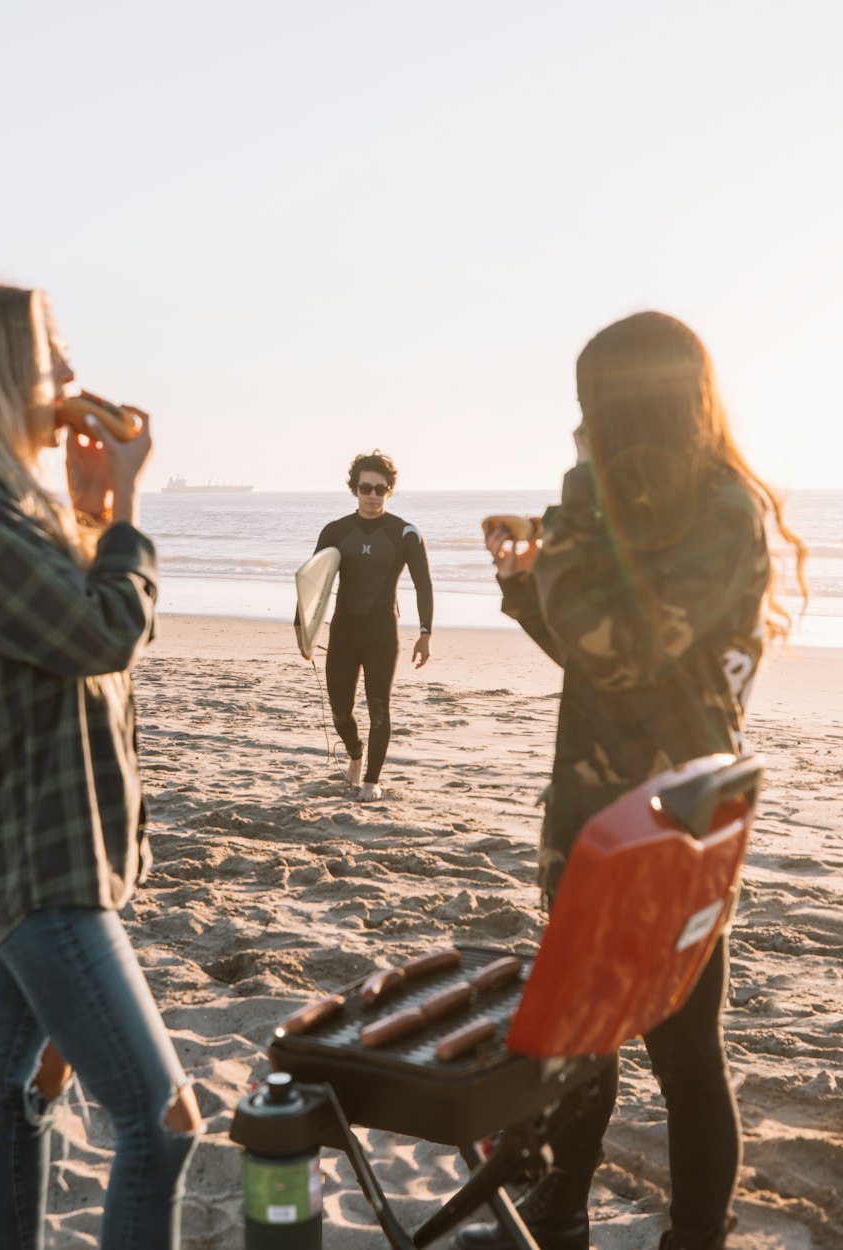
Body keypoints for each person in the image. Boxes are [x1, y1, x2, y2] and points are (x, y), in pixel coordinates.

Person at [457, 312, 806, 1250]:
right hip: (593, 822)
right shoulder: (627, 511)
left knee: (688, 1059)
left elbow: (625, 652)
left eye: (589, 412)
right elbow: (592, 656)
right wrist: (531, 578)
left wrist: (569, 511)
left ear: (634, 408)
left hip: (671, 832)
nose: (580, 433)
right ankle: (560, 1213)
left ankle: (694, 1238)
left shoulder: (722, 512)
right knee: (585, 1038)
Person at [0, 284, 202, 1250]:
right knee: (164, 1119)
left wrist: (95, 515)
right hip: (39, 871)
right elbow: (102, 634)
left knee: (21, 1098)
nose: (71, 377)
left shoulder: (2, 503)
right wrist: (129, 510)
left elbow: (74, 651)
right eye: (52, 356)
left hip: (53, 856)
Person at [295, 450, 434, 801]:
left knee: (379, 708)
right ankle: (355, 754)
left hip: (382, 633)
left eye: (380, 488)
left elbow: (423, 585)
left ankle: (372, 779)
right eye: (365, 487)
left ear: (389, 490)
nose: (372, 495)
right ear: (354, 489)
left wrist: (425, 633)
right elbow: (313, 583)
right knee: (340, 710)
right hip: (343, 631)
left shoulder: (405, 533)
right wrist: (302, 627)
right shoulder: (335, 531)